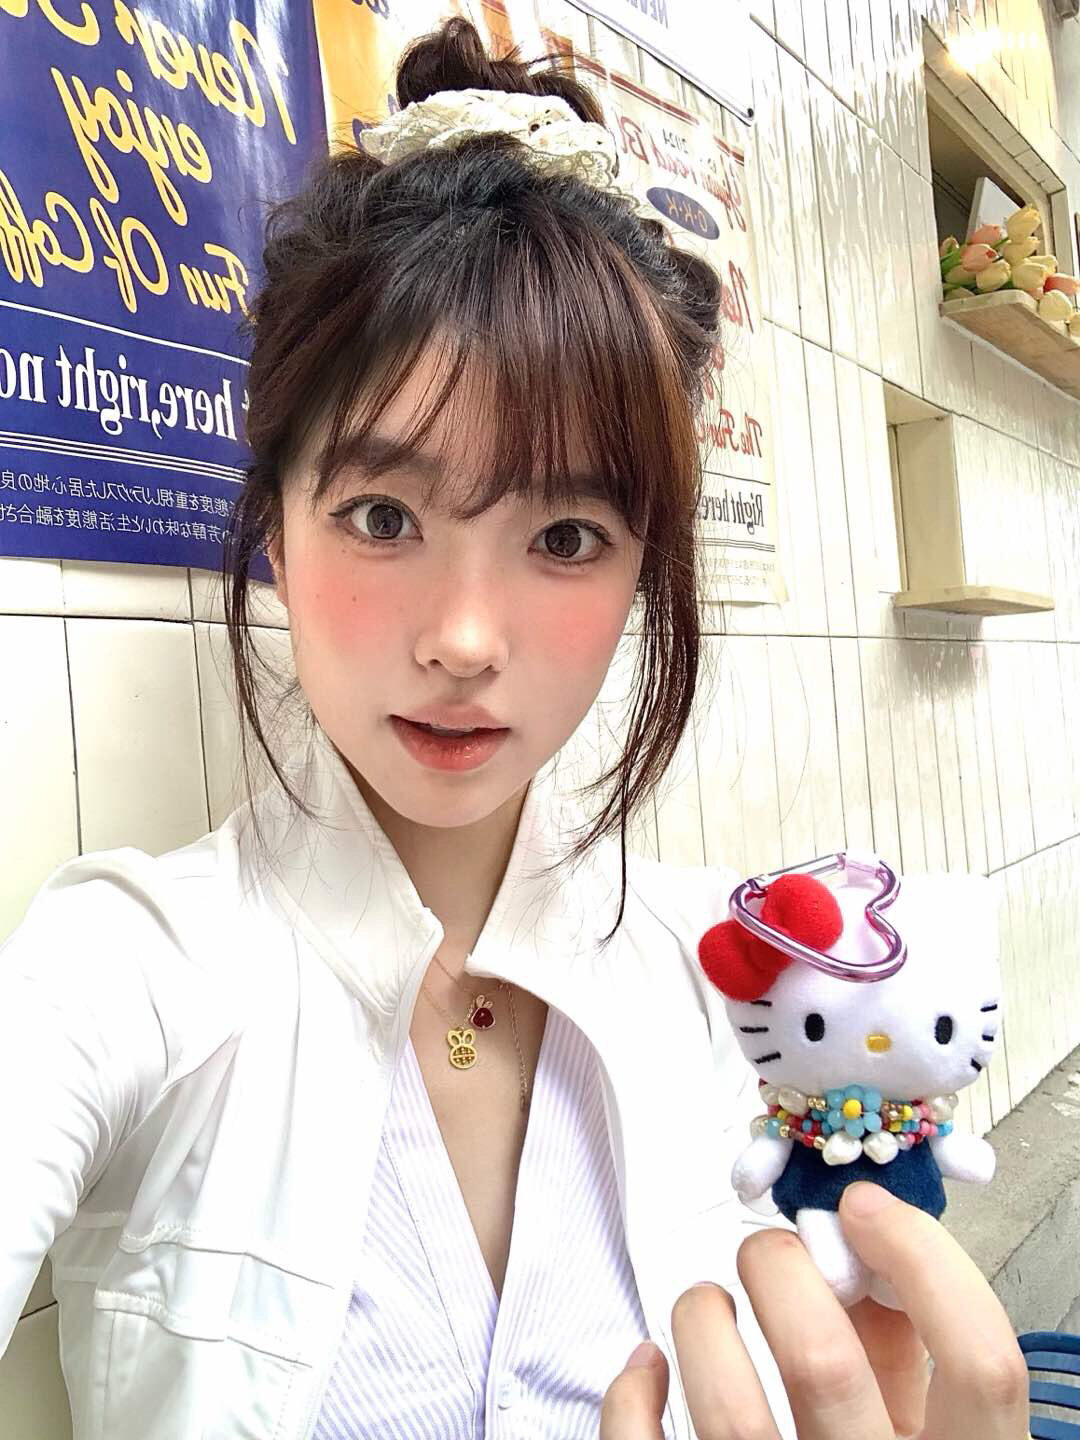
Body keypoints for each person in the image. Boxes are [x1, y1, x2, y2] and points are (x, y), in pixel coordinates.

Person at [0, 18, 1030, 1440]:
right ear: (275, 531)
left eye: (564, 535)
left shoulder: (737, 993)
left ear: (644, 563)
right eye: (383, 516)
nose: (467, 640)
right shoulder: (124, 969)